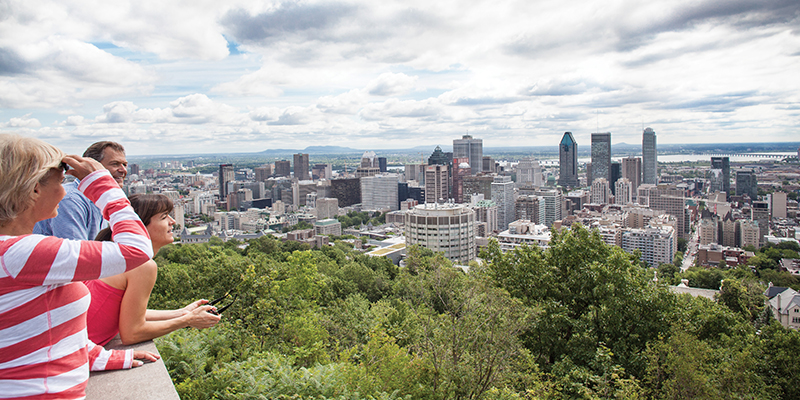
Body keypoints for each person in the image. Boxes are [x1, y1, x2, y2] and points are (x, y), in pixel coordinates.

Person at [0, 134, 157, 399]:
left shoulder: (16, 253)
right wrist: (103, 187)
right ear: (34, 189)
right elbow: (138, 250)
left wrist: (97, 357)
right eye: (62, 182)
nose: (67, 190)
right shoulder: (19, 253)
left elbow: (41, 328)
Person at [87, 194, 221, 346]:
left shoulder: (115, 254)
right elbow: (132, 333)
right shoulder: (141, 265)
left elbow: (128, 314)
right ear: (141, 226)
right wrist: (187, 320)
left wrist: (182, 313)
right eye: (164, 217)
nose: (173, 222)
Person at [34, 141, 128, 240]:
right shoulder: (71, 200)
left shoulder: (100, 200)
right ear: (93, 166)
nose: (123, 170)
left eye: (124, 165)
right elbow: (74, 252)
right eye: (115, 164)